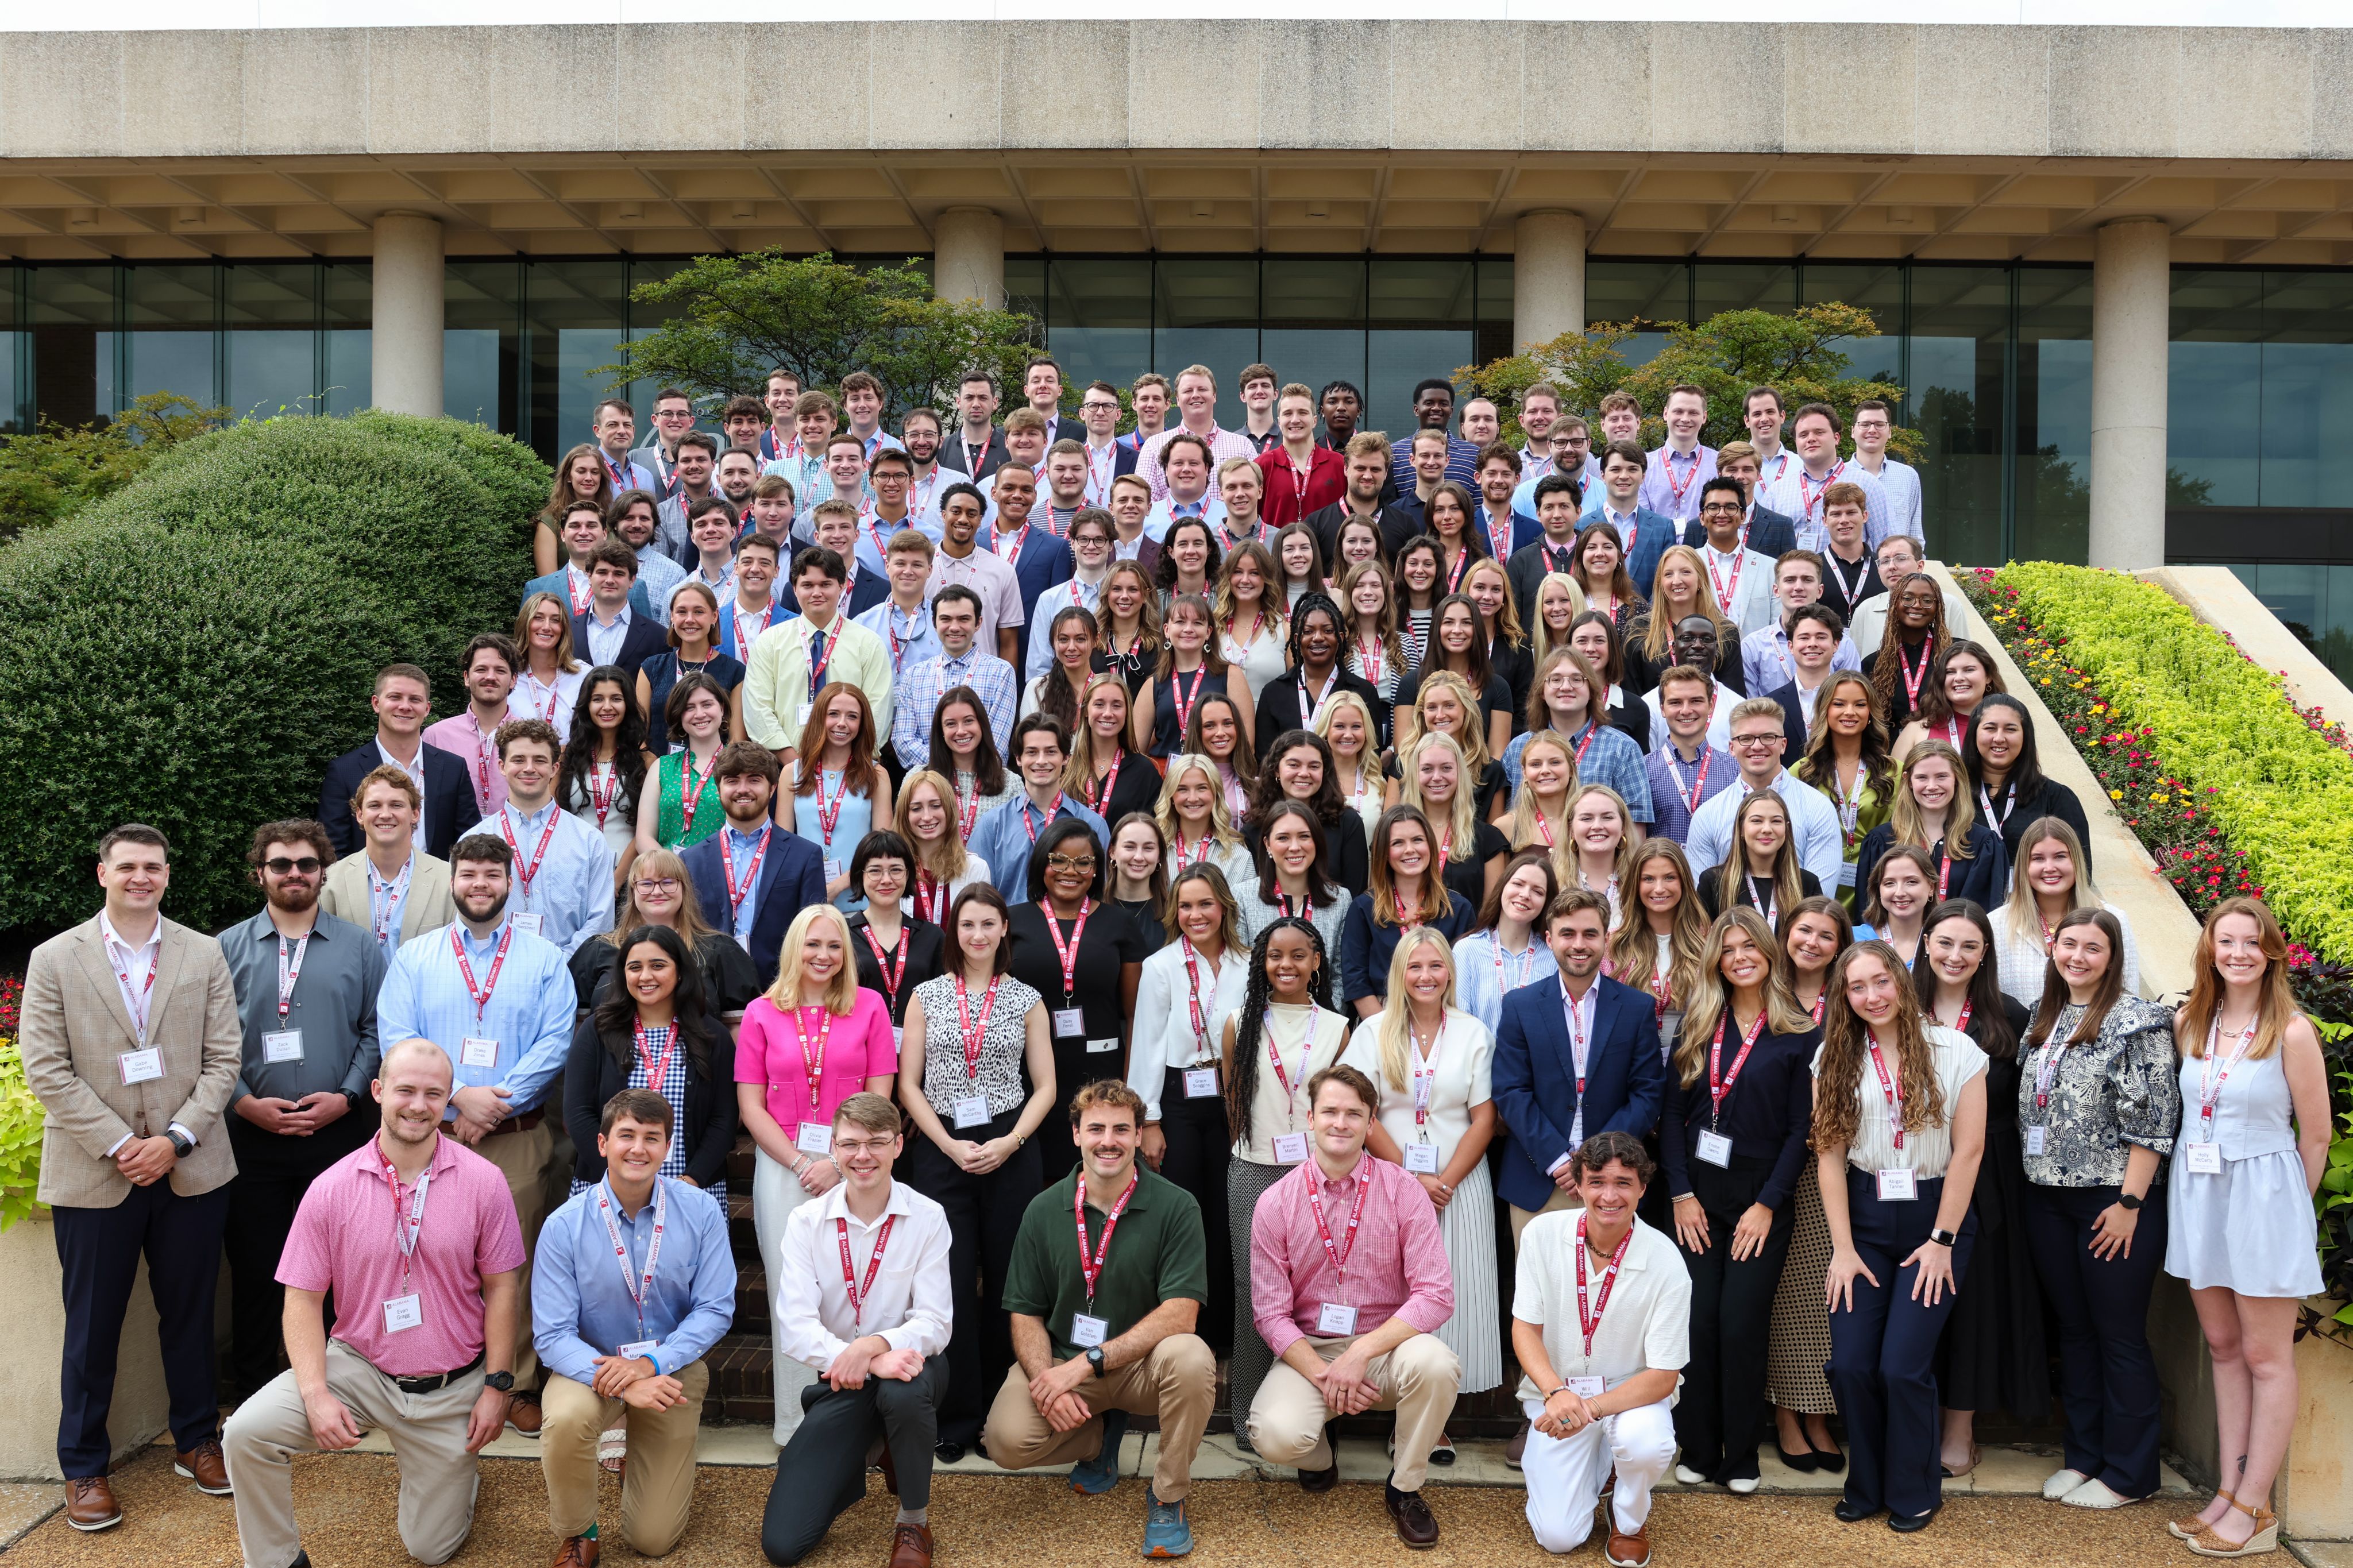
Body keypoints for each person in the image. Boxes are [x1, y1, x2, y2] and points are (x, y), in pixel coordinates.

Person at [219, 1039, 523, 1568]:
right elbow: (302, 1299)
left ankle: (455, 1479)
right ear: (378, 1092)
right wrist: (315, 1394)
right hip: (357, 1368)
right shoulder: (330, 1188)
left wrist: (498, 1387)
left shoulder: (484, 1182)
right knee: (245, 1434)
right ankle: (275, 1559)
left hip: (448, 1386)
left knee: (429, 1550)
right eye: (405, 1090)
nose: (418, 1105)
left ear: (448, 1099)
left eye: (434, 1093)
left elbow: (502, 1288)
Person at [20, 824, 242, 1525]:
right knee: (92, 1325)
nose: (140, 878)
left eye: (153, 867)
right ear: (102, 874)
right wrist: (122, 1143)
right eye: (128, 867)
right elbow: (47, 1068)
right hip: (96, 1173)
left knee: (190, 1314)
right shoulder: (55, 958)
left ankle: (197, 1439)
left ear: (168, 876)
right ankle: (83, 1467)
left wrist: (173, 1139)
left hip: (190, 1167)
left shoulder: (203, 953)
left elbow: (223, 1060)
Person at [375, 832, 577, 1430]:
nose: (480, 885)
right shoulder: (416, 955)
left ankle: (512, 1381)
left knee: (511, 1265)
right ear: (453, 880)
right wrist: (455, 1096)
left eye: (492, 875)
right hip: (427, 1139)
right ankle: (436, 1373)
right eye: (469, 875)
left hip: (515, 1136)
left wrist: (490, 1105)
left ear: (510, 883)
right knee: (424, 1256)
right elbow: (397, 1035)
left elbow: (555, 1041)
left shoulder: (543, 958)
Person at [985, 1081, 1214, 1558]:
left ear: (1137, 1137)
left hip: (1140, 1367)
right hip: (1068, 1364)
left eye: (1120, 1129)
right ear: (1075, 1135)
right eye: (1096, 1129)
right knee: (1005, 1442)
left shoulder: (1177, 1206)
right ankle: (1097, 1440)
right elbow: (1026, 1311)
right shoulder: (1044, 1209)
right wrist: (1048, 1379)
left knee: (1192, 1358)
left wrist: (1085, 1364)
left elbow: (1181, 1314)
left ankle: (1169, 1496)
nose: (1107, 1140)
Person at [2166, 898, 2329, 1557]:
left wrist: (2286, 1214)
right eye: (2225, 941)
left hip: (2262, 1199)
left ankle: (2256, 1505)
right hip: (2202, 1197)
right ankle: (2228, 1494)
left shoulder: (2290, 1030)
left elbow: (2314, 1137)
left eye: (2250, 942)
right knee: (2224, 1350)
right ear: (2209, 949)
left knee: (2266, 1357)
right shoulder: (2189, 1022)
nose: (2237, 953)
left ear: (2270, 953)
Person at [1245, 1063, 1459, 1548]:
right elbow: (1271, 1315)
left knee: (1437, 1363)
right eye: (1330, 1112)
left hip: (1385, 1349)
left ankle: (1404, 1488)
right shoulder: (1275, 1203)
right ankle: (1322, 1455)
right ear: (1311, 1117)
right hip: (1312, 1353)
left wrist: (1360, 1355)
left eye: (1353, 1114)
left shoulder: (1404, 1189)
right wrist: (1328, 1374)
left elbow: (1436, 1294)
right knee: (1273, 1435)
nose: (1340, 1123)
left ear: (1371, 1121)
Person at [1814, 940, 1986, 1532]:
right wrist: (1841, 1249)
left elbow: (1970, 1152)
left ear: (1901, 981)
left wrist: (1942, 1240)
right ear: (1844, 997)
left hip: (1934, 1220)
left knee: (1901, 1368)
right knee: (1851, 1364)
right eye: (1856, 988)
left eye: (1879, 982)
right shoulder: (1834, 1058)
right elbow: (1830, 1160)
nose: (1871, 996)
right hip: (1861, 1224)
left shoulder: (1956, 1050)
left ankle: (1914, 1488)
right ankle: (1867, 1483)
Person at [2018, 907, 2181, 1509]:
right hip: (2047, 1199)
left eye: (2092, 948)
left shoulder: (2137, 1021)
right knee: (2076, 1333)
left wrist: (2130, 1203)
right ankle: (2084, 1458)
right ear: (2053, 950)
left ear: (2112, 958)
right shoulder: (2045, 1017)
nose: (2078, 957)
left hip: (2113, 1201)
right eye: (2069, 945)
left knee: (2119, 1337)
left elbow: (2155, 1121)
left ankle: (2130, 1474)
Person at [533, 1087, 735, 1568]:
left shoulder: (701, 1212)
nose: (638, 1148)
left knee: (652, 1539)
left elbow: (715, 1308)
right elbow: (552, 1334)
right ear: (602, 1144)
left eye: (652, 1137)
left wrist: (649, 1365)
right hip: (593, 1367)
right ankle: (579, 1534)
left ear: (667, 1148)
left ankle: (642, 1466)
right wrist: (621, 1378)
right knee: (565, 1420)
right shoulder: (564, 1225)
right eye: (626, 1135)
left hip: (672, 1370)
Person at [221, 821, 386, 1403]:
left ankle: (347, 1389)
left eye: (307, 864)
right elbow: (210, 1041)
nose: (295, 874)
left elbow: (374, 1030)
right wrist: (242, 1101)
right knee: (257, 1269)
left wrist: (346, 1096)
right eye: (281, 864)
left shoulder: (360, 946)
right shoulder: (226, 948)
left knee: (347, 1268)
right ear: (259, 873)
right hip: (252, 1136)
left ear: (323, 871)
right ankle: (257, 1395)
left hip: (339, 1134)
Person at [897, 886, 1058, 1458]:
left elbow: (1047, 1087)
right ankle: (957, 1416)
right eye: (967, 925)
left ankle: (1000, 1412)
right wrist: (947, 1144)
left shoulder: (1026, 999)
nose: (978, 936)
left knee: (1009, 1284)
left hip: (1010, 1144)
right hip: (943, 1149)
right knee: (952, 1282)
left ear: (1003, 932)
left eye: (988, 924)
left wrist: (1010, 1142)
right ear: (953, 930)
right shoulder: (925, 996)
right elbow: (908, 1084)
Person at [1657, 910, 1814, 1493]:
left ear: (1770, 953)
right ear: (1716, 961)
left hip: (1759, 1199)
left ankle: (1741, 1454)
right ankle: (1696, 1445)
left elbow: (1803, 1129)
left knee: (1740, 1323)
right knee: (1697, 1322)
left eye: (1750, 945)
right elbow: (1672, 1114)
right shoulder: (1698, 1022)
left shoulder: (1799, 1032)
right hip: (1695, 1194)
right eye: (1728, 950)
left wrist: (1769, 1203)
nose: (1740, 956)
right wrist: (1679, 1193)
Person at [762, 1090, 952, 1568]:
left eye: (876, 1142)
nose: (862, 1156)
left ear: (897, 1147)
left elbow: (935, 1321)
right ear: (833, 1147)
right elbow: (797, 1327)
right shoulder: (805, 1222)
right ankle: (882, 1441)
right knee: (783, 1547)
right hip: (842, 1382)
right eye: (849, 1144)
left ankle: (913, 1521)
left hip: (912, 1369)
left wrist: (871, 1346)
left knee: (902, 1392)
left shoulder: (928, 1217)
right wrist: (865, 1361)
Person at [734, 903, 899, 1444]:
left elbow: (881, 1093)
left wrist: (840, 1160)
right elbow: (751, 1105)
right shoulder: (761, 1012)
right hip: (786, 1169)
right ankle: (796, 1425)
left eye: (834, 946)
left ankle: (852, 1421)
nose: (823, 956)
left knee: (853, 1289)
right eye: (813, 945)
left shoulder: (870, 1006)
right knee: (793, 1293)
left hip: (857, 1166)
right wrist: (804, 1161)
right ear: (793, 949)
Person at [1341, 928, 1502, 1455]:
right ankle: (1400, 1410)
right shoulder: (1372, 1032)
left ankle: (1435, 1419)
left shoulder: (1473, 1030)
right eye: (1415, 967)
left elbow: (1485, 1118)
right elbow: (1362, 1115)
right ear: (1399, 974)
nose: (1426, 976)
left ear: (1450, 972)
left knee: (1452, 1296)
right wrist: (1412, 1180)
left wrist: (1446, 1180)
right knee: (1399, 1291)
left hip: (1459, 1186)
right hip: (1390, 1182)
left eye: (1436, 966)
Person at [1511, 1131, 1691, 1565]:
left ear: (1643, 1189)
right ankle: (1603, 1466)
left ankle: (1628, 1514)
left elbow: (1664, 1376)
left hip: (1632, 1397)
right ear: (1579, 1183)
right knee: (1558, 1537)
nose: (1609, 1196)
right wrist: (1556, 1392)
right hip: (1560, 1396)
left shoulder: (1667, 1262)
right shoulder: (1541, 1235)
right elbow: (1524, 1329)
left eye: (1623, 1183)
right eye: (1597, 1181)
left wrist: (1591, 1410)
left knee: (1646, 1444)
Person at [1912, 901, 2040, 1481]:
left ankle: (1959, 1426)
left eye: (1968, 946)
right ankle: (1911, 1422)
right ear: (1925, 943)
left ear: (1985, 954)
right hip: (1909, 1170)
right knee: (1914, 1298)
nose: (1954, 956)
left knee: (1971, 1304)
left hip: (1985, 1174)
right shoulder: (1898, 1007)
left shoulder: (2007, 1017)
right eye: (1944, 943)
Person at [1218, 918, 1352, 1445]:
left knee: (1315, 1293)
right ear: (1261, 962)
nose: (1287, 965)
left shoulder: (1339, 1027)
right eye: (1275, 955)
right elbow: (1232, 1102)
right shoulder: (1237, 1021)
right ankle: (1251, 1416)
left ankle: (1313, 1416)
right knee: (1257, 1296)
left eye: (1299, 955)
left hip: (1320, 1175)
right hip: (1254, 1171)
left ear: (1317, 962)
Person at [1492, 887, 1666, 1241]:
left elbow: (1647, 1094)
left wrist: (1595, 1161)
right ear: (1549, 939)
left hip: (1613, 1182)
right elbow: (1510, 1091)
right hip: (1538, 1178)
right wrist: (1558, 1161)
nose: (1579, 944)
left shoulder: (1636, 1008)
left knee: (1609, 1294)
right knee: (1540, 1295)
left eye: (1590, 934)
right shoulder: (1519, 1006)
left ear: (1606, 938)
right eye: (1567, 934)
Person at [1127, 866, 1247, 1342]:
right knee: (1185, 1212)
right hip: (1177, 1098)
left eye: (1205, 904)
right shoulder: (1161, 965)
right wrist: (1150, 1120)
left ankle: (1223, 1332)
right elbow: (1148, 1045)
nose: (1196, 915)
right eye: (1186, 906)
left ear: (1224, 906)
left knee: (1227, 1212)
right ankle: (1181, 1325)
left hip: (1231, 1098)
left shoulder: (1247, 961)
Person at [1007, 818, 1150, 1179]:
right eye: (1059, 860)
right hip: (1029, 1075)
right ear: (1042, 863)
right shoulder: (1012, 922)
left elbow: (1135, 1016)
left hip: (1102, 1074)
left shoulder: (1120, 924)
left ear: (1096, 869)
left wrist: (1130, 1082)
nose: (1071, 871)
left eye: (1084, 862)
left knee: (1098, 1173)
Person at [1765, 898, 1853, 1470]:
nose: (1813, 943)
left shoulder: (1851, 999)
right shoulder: (1763, 992)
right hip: (1771, 1159)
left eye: (1826, 935)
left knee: (1818, 1293)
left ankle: (1817, 1412)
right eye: (1804, 931)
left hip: (1831, 1158)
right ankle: (1783, 1411)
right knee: (1780, 1293)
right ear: (1786, 934)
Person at [563, 924, 738, 1200]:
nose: (645, 976)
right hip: (609, 1185)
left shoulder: (712, 1035)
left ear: (680, 971)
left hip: (693, 1189)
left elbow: (724, 1119)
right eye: (635, 967)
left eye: (658, 965)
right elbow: (578, 1113)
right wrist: (620, 1176)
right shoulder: (598, 1031)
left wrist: (691, 1181)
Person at [677, 742, 829, 989]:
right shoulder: (691, 860)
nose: (743, 790)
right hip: (710, 995)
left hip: (782, 992)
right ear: (719, 789)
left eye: (754, 780)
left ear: (772, 789)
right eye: (732, 781)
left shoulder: (805, 856)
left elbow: (814, 936)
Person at [567, 848, 759, 1018]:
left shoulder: (719, 950)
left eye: (668, 882)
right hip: (612, 1058)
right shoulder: (598, 949)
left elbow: (740, 1026)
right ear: (633, 892)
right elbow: (577, 1024)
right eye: (646, 884)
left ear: (684, 889)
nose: (657, 891)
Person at [744, 546, 895, 758]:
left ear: (842, 586)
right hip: (784, 770)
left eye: (826, 585)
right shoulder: (770, 642)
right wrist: (793, 766)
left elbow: (877, 713)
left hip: (851, 772)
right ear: (794, 589)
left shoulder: (868, 644)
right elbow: (757, 710)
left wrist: (847, 765)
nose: (817, 593)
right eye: (807, 585)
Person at [319, 663, 482, 859]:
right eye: (395, 697)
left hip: (438, 886)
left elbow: (469, 843)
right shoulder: (345, 771)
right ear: (376, 704)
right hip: (367, 886)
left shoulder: (453, 768)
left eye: (415, 699)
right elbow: (334, 849)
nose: (405, 706)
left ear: (427, 708)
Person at [487, 719, 619, 957]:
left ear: (555, 769)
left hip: (571, 976)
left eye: (539, 760)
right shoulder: (478, 838)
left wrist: (561, 962)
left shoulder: (589, 841)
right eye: (518, 760)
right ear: (502, 766)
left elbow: (601, 919)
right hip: (494, 976)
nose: (529, 768)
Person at [1683, 698, 1844, 890]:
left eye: (1768, 737)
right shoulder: (1708, 815)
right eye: (1746, 738)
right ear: (1732, 748)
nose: (1757, 746)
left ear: (1783, 745)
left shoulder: (1818, 807)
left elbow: (1819, 899)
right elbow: (1703, 899)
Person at [1340, 806, 1476, 1019]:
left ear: (1430, 845)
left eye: (1417, 840)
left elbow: (1465, 979)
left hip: (1443, 1018)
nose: (1410, 850)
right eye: (1398, 843)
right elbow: (1356, 979)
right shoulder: (1363, 908)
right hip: (1381, 1018)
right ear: (1384, 852)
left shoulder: (1459, 909)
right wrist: (1382, 1031)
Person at [1992, 817, 2142, 1006]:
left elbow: (2129, 999)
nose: (2049, 868)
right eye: (2038, 858)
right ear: (2024, 866)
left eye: (2060, 856)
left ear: (2076, 861)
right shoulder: (1996, 924)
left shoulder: (2113, 918)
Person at [969, 714, 1111, 904]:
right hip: (1012, 931)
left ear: (1066, 758)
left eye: (1051, 752)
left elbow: (1103, 894)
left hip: (1075, 932)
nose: (1041, 761)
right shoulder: (992, 826)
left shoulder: (1093, 825)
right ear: (1018, 759)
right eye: (1032, 752)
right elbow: (977, 897)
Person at [1853, 741, 2007, 910]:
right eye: (1922, 777)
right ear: (1909, 781)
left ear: (1957, 779)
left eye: (1942, 776)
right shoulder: (1882, 842)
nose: (1932, 786)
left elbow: (1986, 916)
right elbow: (1868, 914)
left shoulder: (1983, 845)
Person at [319, 765, 458, 952]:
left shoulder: (448, 880)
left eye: (396, 805)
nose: (385, 815)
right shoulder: (331, 880)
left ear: (415, 814)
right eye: (375, 805)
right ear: (360, 815)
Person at [1791, 671, 1896, 908]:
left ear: (1870, 713)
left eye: (1860, 704)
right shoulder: (1799, 773)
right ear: (1825, 709)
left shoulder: (1894, 772)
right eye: (1839, 704)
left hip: (1878, 885)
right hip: (1816, 883)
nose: (1850, 712)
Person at [1966, 694, 2096, 879]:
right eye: (1990, 728)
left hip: (2036, 906)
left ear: (2026, 736)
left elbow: (2081, 872)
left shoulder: (2056, 797)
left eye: (2011, 729)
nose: (1999, 738)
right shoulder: (1954, 793)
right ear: (1974, 734)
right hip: (1966, 905)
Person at [893, 585, 1020, 771]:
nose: (954, 627)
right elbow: (903, 741)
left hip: (982, 788)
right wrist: (949, 767)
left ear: (978, 623)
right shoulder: (915, 676)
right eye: (946, 619)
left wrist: (945, 765)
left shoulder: (1000, 673)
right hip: (928, 788)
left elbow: (996, 747)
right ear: (935, 623)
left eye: (964, 619)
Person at [789, 684, 893, 910]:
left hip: (862, 905)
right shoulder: (792, 772)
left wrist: (836, 887)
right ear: (819, 718)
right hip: (805, 904)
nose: (842, 723)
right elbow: (783, 845)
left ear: (862, 724)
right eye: (833, 714)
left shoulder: (878, 776)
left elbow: (882, 847)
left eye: (852, 716)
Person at [1603, 840, 1708, 1064]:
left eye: (1669, 877)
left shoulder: (1707, 941)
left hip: (1690, 1063)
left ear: (1684, 882)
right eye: (1648, 879)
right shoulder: (1613, 944)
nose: (1659, 888)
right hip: (1628, 1064)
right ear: (1635, 884)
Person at [1760, 403, 1891, 553]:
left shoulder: (1868, 484)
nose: (1811, 439)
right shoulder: (1777, 492)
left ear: (1836, 438)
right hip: (1795, 576)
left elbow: (1886, 546)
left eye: (1819, 432)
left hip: (1849, 576)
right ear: (1796, 442)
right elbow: (1764, 552)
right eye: (1803, 435)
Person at [1454, 851, 1559, 1036]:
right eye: (1518, 884)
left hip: (1535, 1063)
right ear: (1503, 887)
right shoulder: (1467, 950)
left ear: (1546, 902)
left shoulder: (1554, 956)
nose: (1525, 894)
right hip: (1480, 1061)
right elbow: (1459, 1023)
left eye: (1537, 891)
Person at [556, 669, 647, 875]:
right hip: (574, 872)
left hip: (629, 877)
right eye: (598, 699)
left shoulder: (647, 762)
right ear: (586, 705)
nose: (607, 707)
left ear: (628, 705)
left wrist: (616, 881)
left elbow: (647, 829)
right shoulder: (564, 758)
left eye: (616, 699)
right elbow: (554, 819)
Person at [637, 582, 746, 755]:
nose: (690, 619)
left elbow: (736, 740)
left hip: (714, 775)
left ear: (714, 616)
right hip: (658, 773)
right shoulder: (650, 668)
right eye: (682, 612)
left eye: (699, 612)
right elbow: (639, 734)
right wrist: (651, 765)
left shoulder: (735, 672)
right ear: (672, 616)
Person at [635, 673, 734, 859]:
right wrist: (673, 870)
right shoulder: (661, 767)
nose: (700, 714)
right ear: (679, 716)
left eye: (707, 704)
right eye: (690, 708)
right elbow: (644, 837)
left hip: (724, 875)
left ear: (722, 708)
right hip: (669, 879)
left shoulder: (739, 765)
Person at [422, 635, 519, 820]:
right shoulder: (436, 737)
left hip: (514, 843)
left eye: (500, 670)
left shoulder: (529, 737)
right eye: (481, 669)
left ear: (513, 680)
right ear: (467, 677)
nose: (490, 677)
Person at [1644, 666, 1741, 847]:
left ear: (1711, 705)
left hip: (1720, 874)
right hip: (1664, 874)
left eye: (1696, 701)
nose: (1686, 710)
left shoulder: (1735, 770)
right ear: (1662, 709)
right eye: (1675, 702)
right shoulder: (1643, 770)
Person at [897, 767, 995, 925]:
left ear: (949, 809)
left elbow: (981, 929)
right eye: (916, 809)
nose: (927, 817)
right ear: (905, 816)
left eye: (935, 806)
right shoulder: (895, 870)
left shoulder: (975, 868)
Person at [1861, 571, 1949, 733]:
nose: (1917, 605)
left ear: (1938, 607)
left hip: (1943, 750)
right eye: (1908, 598)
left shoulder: (1954, 655)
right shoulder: (1874, 664)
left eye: (1927, 600)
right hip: (1892, 754)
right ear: (1895, 603)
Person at [570, 538, 670, 679]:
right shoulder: (566, 631)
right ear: (590, 577)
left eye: (618, 574)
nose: (610, 580)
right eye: (602, 572)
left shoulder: (659, 637)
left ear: (632, 580)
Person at [1690, 477, 1777, 637]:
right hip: (1698, 658)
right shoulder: (1687, 565)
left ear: (1743, 516)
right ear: (1702, 518)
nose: (1722, 514)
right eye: (1713, 507)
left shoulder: (1771, 569)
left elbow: (1778, 624)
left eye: (1731, 507)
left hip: (1753, 660)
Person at [1892, 639, 2003, 762]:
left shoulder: (2008, 727)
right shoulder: (1917, 729)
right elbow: (1893, 780)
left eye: (1969, 670)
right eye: (1950, 672)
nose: (1959, 678)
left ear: (1988, 677)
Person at [1258, 383, 1347, 526]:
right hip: (1277, 549)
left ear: (1315, 421)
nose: (1295, 420)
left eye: (1303, 413)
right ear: (1279, 422)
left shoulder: (1339, 464)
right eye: (1288, 414)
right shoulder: (1262, 466)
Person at [1315, 690, 1388, 843]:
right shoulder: (1314, 781)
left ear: (1366, 731)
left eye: (1356, 726)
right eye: (1340, 726)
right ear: (1326, 730)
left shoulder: (1379, 784)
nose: (1348, 735)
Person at [1105, 814, 1171, 950]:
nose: (1139, 857)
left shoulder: (1173, 912)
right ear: (1112, 852)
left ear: (1159, 856)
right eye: (1130, 847)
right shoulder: (1091, 907)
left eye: (1148, 848)